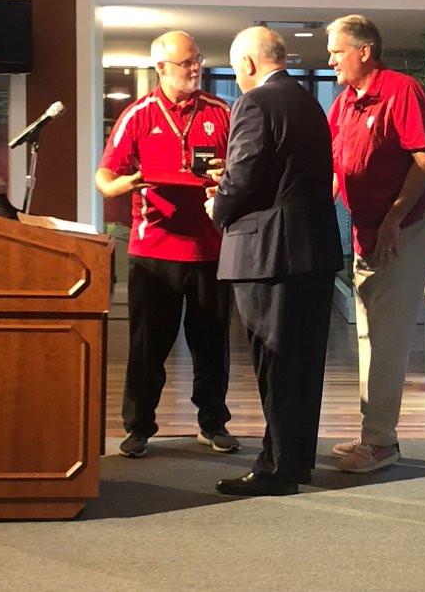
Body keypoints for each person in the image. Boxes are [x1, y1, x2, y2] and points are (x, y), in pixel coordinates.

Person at [208, 27, 342, 496]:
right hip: (313, 249)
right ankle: (295, 461)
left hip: (269, 253)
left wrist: (217, 207)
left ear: (246, 63)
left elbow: (242, 175)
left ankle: (276, 470)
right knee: (303, 364)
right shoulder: (310, 102)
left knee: (276, 361)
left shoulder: (255, 102)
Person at [95, 30, 236, 458]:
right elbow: (104, 180)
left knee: (212, 346)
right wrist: (128, 182)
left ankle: (212, 424)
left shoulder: (222, 112)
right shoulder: (138, 115)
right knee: (146, 347)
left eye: (197, 60)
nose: (195, 68)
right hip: (153, 251)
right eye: (185, 63)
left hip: (210, 249)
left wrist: (226, 174)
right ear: (161, 68)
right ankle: (138, 428)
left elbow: (245, 170)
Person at [326, 14, 425, 473]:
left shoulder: (401, 90)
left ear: (365, 51)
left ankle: (382, 443)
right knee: (369, 330)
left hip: (405, 226)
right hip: (366, 228)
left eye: (337, 51)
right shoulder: (344, 103)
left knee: (388, 333)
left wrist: (394, 219)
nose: (331, 59)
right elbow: (338, 169)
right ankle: (372, 432)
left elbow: (423, 162)